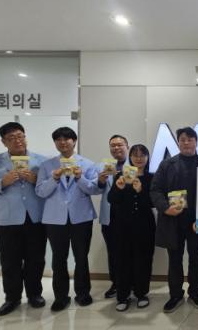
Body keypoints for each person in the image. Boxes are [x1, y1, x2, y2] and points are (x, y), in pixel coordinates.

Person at [0, 122, 47, 316]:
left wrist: (35, 180)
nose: (17, 140)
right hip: (7, 220)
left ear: (25, 137)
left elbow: (49, 186)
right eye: (11, 138)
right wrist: (2, 182)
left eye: (20, 136)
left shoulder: (42, 160)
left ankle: (35, 294)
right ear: (3, 142)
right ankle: (12, 298)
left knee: (36, 259)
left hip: (36, 219)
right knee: (9, 261)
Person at [35, 127, 101, 312]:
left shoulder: (87, 164)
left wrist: (80, 178)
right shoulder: (47, 165)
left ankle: (83, 293)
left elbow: (95, 189)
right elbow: (40, 191)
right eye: (58, 139)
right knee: (58, 258)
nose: (62, 142)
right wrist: (54, 179)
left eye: (66, 139)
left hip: (81, 217)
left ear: (74, 141)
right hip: (55, 219)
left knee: (81, 257)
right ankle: (61, 297)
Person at [150, 127, 198, 313]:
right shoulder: (166, 164)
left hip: (196, 222)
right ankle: (175, 295)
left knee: (196, 259)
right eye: (183, 139)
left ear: (196, 142)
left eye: (190, 139)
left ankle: (195, 294)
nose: (186, 143)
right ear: (178, 142)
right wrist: (165, 208)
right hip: (172, 221)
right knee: (174, 260)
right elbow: (155, 190)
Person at [108, 144, 156, 311]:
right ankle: (123, 295)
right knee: (122, 260)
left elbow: (153, 203)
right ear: (130, 157)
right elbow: (111, 199)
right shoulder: (120, 176)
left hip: (145, 225)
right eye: (135, 155)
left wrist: (141, 190)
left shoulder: (152, 177)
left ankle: (141, 293)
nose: (139, 158)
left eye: (143, 155)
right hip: (122, 225)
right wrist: (118, 188)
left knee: (144, 259)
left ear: (147, 158)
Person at [98, 135, 129, 299]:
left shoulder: (135, 165)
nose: (116, 148)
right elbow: (94, 189)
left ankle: (131, 283)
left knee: (130, 251)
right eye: (113, 145)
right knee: (113, 252)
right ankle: (116, 283)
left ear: (127, 147)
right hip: (110, 216)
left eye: (120, 145)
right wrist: (101, 181)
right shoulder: (104, 166)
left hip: (130, 217)